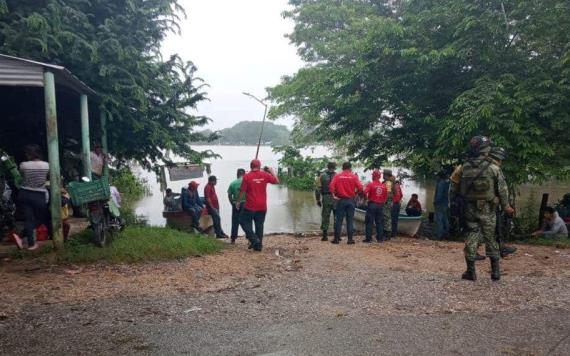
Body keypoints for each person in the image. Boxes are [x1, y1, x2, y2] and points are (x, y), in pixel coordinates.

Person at [450, 136, 513, 281]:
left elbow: (452, 189)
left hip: (469, 208)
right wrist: (507, 207)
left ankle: (470, 272)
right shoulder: (494, 167)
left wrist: (453, 205)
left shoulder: (462, 167)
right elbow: (503, 190)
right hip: (489, 208)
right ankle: (495, 272)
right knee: (491, 237)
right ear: (486, 150)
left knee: (471, 235)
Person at [238, 160, 279, 251]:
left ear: (250, 166)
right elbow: (276, 181)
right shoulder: (265, 175)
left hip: (250, 206)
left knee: (243, 221)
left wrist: (238, 202)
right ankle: (258, 246)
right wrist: (272, 172)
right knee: (259, 226)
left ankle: (254, 239)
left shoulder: (247, 177)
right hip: (262, 206)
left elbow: (242, 191)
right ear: (259, 166)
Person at [18, 144, 50, 250]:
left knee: (29, 219)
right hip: (39, 195)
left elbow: (22, 177)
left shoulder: (23, 165)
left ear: (29, 154)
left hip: (24, 193)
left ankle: (31, 244)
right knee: (41, 218)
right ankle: (22, 235)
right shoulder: (46, 165)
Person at [330, 161, 364, 245]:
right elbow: (360, 188)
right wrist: (356, 194)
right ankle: (350, 240)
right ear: (350, 168)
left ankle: (336, 240)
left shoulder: (337, 176)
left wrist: (334, 195)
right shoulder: (354, 176)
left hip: (340, 200)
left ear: (343, 168)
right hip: (351, 201)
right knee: (350, 221)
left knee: (339, 220)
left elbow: (331, 186)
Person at [315, 162, 337, 241]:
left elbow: (318, 189)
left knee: (325, 216)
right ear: (334, 167)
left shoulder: (322, 176)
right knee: (337, 216)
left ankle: (325, 236)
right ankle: (337, 235)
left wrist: (318, 200)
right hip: (336, 198)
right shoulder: (337, 176)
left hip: (326, 197)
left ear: (327, 167)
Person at [363, 170, 387, 243]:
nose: (372, 176)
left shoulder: (371, 184)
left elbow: (364, 192)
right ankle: (380, 238)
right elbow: (385, 197)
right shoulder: (383, 186)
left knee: (369, 221)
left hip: (372, 204)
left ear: (374, 176)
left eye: (372, 175)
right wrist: (382, 202)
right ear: (379, 177)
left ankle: (368, 238)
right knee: (379, 222)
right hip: (380, 205)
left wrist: (366, 199)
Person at [228, 168, 246, 244]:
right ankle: (249, 238)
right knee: (247, 222)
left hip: (236, 204)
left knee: (235, 221)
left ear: (237, 174)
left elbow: (229, 195)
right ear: (244, 174)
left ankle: (233, 239)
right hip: (246, 204)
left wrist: (232, 203)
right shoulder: (247, 182)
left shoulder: (232, 183)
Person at [433, 171, 450, 240]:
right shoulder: (447, 183)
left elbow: (439, 195)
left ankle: (439, 236)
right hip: (446, 203)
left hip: (440, 204)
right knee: (445, 219)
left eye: (437, 176)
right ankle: (446, 234)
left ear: (440, 176)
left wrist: (435, 202)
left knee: (439, 220)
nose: (436, 177)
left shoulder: (440, 183)